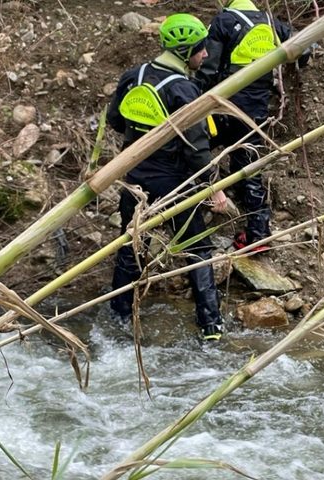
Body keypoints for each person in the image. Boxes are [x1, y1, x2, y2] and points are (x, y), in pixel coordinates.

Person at [107, 13, 228, 341]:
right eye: (201, 49)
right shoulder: (183, 90)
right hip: (175, 182)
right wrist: (213, 190)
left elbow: (116, 120)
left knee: (131, 245)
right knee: (197, 250)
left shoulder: (135, 75)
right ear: (187, 50)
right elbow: (197, 148)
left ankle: (118, 317)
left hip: (132, 177)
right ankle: (211, 328)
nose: (205, 55)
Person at [196, 0, 291, 251]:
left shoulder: (224, 21)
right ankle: (258, 235)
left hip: (223, 107)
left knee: (194, 153)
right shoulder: (273, 24)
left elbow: (208, 67)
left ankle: (190, 217)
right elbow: (302, 51)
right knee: (249, 170)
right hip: (255, 113)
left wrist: (195, 99)